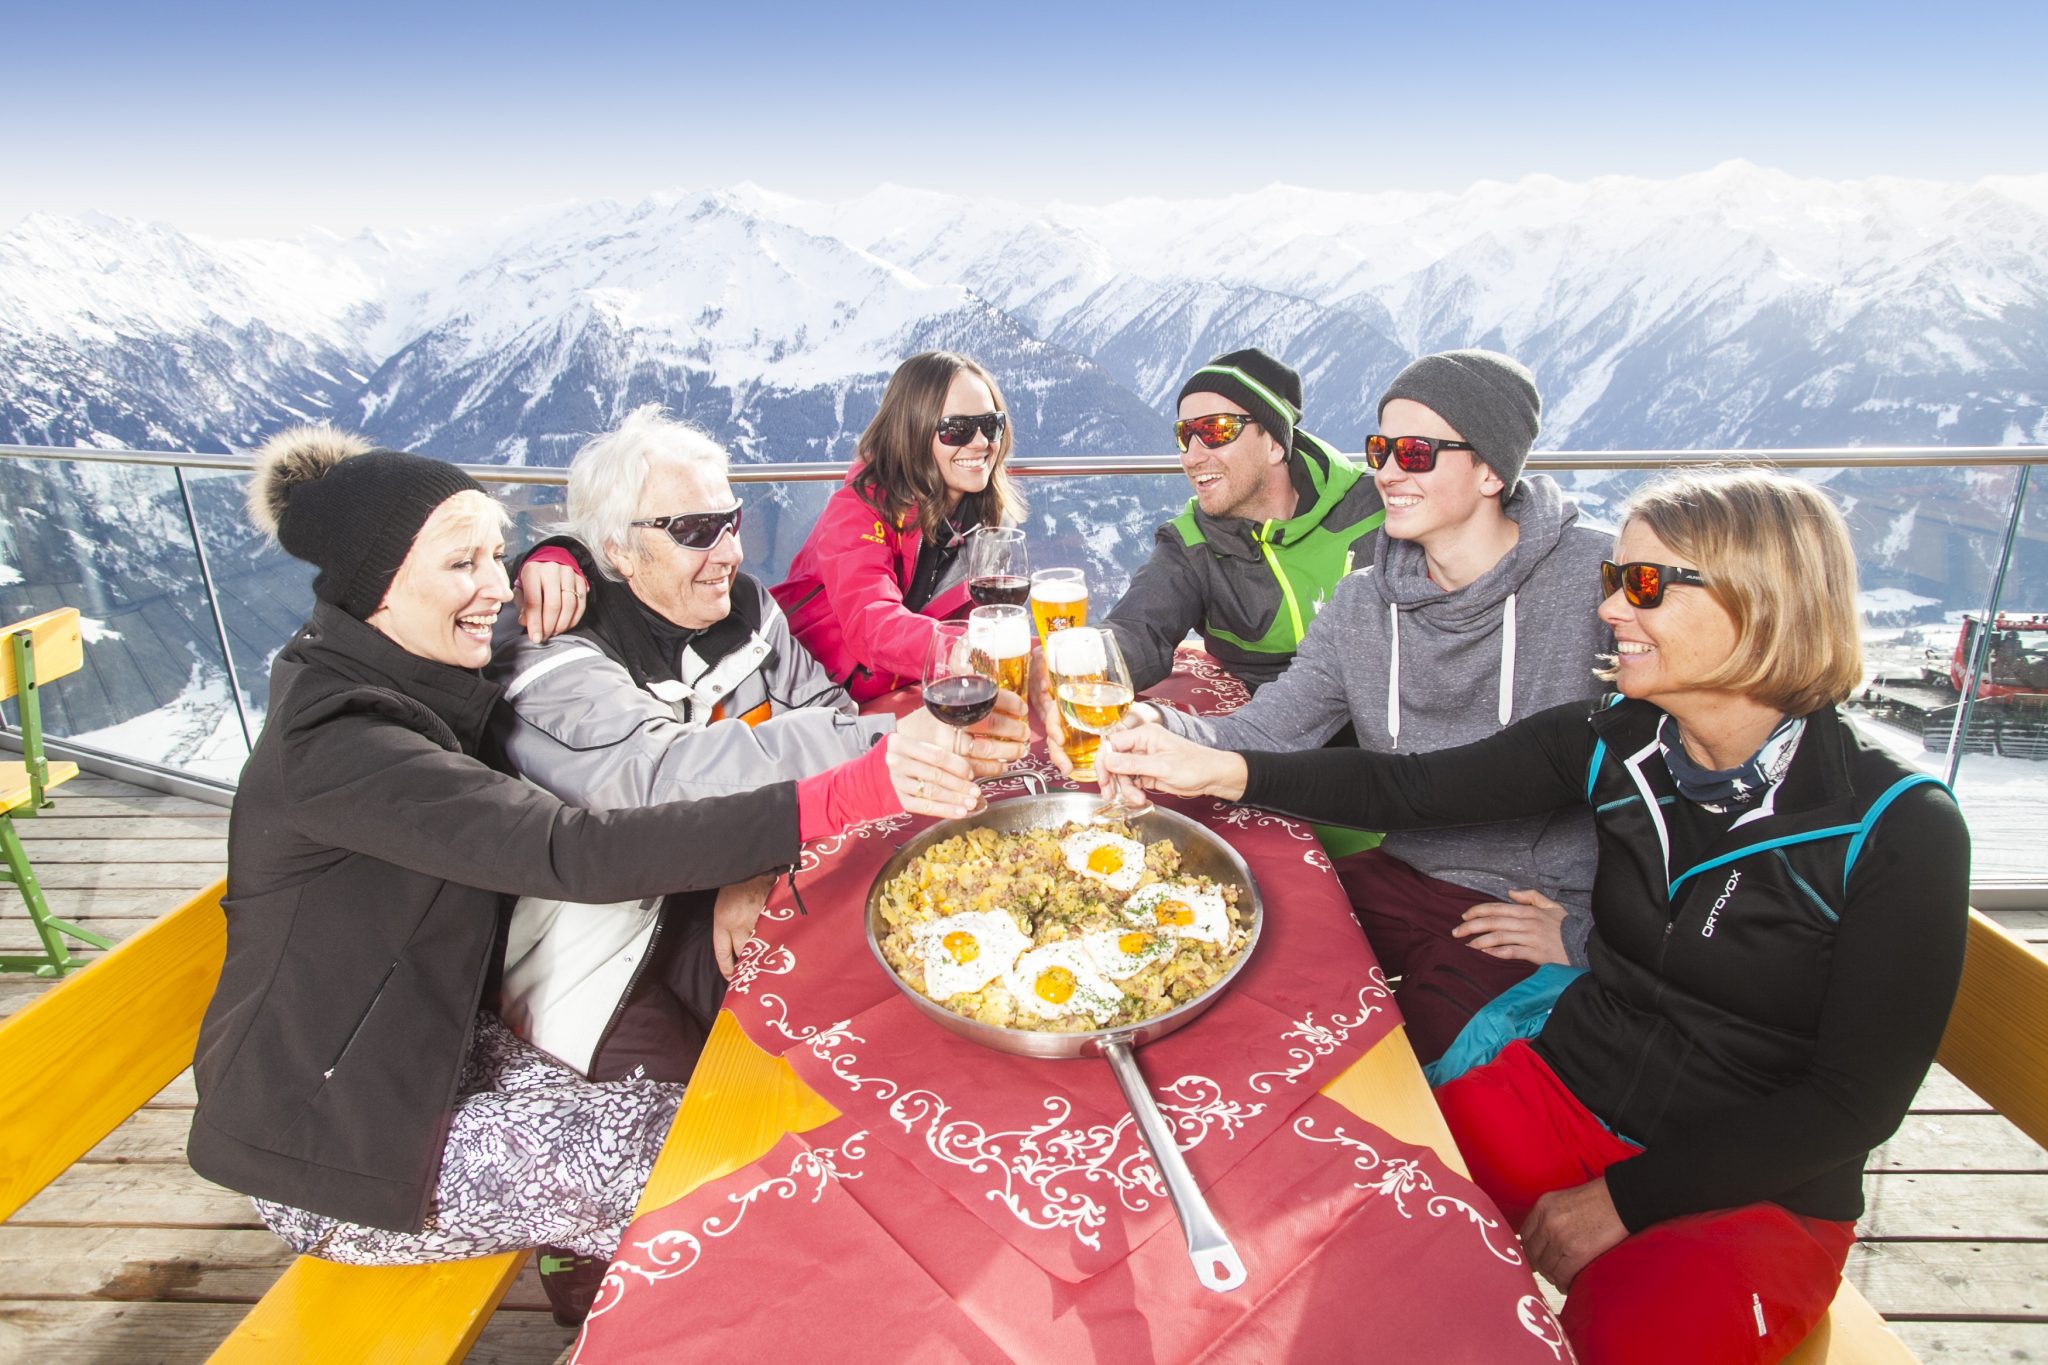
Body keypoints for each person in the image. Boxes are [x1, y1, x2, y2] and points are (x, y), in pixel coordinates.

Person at [1101, 468, 1970, 1365]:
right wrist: (1220, 769)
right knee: (1318, 1214)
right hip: (1571, 1087)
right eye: (1611, 581)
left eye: (1642, 586)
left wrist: (1624, 1201)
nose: (1610, 610)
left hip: (1759, 1182)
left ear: (1762, 602)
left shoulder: (1896, 826)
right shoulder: (1622, 738)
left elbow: (1852, 1104)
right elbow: (1417, 784)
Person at [187, 426, 1019, 1315]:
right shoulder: (344, 742)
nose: (501, 590)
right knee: (739, 1180)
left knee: (765, 1135)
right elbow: (573, 847)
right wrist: (855, 784)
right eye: (462, 564)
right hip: (331, 1142)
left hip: (432, 1053)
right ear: (376, 583)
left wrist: (560, 552)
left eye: (500, 557)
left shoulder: (411, 674)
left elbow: (568, 606)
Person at [1110, 350, 1611, 1063]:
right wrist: (1162, 728)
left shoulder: (1598, 582)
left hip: (1534, 902)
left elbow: (1688, 770)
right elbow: (1269, 727)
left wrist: (1588, 932)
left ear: (1493, 470)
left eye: (1416, 452)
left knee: (1415, 1073)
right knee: (1223, 957)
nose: (1387, 472)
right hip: (1402, 866)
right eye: (1381, 449)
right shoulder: (1363, 601)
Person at [486, 406, 994, 1084]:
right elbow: (659, 779)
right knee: (688, 1121)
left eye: (730, 521)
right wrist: (894, 736)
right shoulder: (550, 651)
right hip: (597, 954)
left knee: (864, 1033)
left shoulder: (746, 609)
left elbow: (823, 708)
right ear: (615, 549)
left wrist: (751, 863)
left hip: (723, 900)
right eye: (696, 531)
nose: (729, 551)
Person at [1096, 347, 1386, 692]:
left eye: (1217, 430)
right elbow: (1136, 629)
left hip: (1385, 718)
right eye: (1184, 436)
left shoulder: (1377, 507)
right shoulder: (1192, 546)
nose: (1191, 457)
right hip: (1269, 728)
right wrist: (1079, 661)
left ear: (1276, 444)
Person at [769, 350, 1023, 702]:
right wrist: (959, 650)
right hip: (817, 695)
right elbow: (871, 623)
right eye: (957, 430)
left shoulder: (983, 522)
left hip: (911, 689)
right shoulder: (857, 508)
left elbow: (986, 625)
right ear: (913, 432)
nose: (981, 442)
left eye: (990, 424)